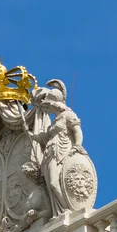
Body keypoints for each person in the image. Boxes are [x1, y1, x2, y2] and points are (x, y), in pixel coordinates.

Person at [22, 85, 86, 217]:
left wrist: (77, 145)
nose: (48, 108)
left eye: (49, 105)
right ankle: (58, 212)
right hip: (50, 153)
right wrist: (28, 133)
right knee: (50, 184)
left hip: (61, 152)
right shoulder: (55, 121)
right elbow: (43, 138)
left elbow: (77, 131)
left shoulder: (68, 115)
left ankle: (66, 209)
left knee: (54, 182)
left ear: (55, 104)